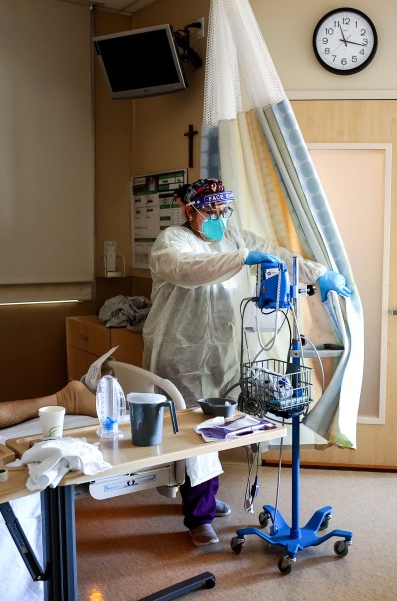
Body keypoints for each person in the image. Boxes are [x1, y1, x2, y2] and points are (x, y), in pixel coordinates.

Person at [142, 178, 353, 546]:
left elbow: (281, 256)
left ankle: (202, 496)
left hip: (224, 352)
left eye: (224, 212)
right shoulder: (171, 243)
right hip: (182, 354)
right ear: (188, 210)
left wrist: (320, 275)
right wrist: (242, 260)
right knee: (196, 434)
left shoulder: (236, 238)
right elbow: (189, 270)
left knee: (219, 430)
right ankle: (199, 517)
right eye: (211, 212)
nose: (219, 219)